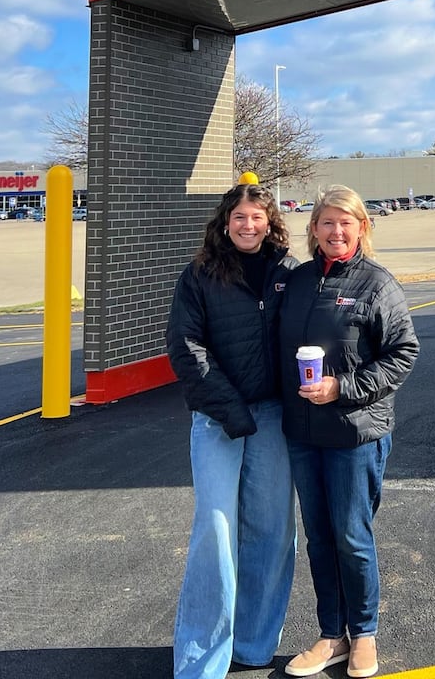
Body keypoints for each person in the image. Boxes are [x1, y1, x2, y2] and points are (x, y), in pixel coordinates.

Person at [280, 186, 420, 679]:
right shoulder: (296, 283)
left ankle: (363, 633)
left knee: (350, 535)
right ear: (313, 229)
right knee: (318, 535)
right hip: (302, 432)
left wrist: (344, 387)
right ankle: (330, 634)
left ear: (362, 228)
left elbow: (403, 352)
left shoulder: (376, 283)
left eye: (347, 223)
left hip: (356, 432)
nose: (336, 232)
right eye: (327, 223)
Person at [166, 182, 298, 679]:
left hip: (274, 419)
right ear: (226, 221)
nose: (248, 225)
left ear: (270, 222)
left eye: (257, 217)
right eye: (239, 217)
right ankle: (201, 661)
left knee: (271, 532)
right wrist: (230, 409)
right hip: (219, 418)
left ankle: (254, 645)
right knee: (216, 533)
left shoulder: (289, 272)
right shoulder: (200, 275)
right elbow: (186, 346)